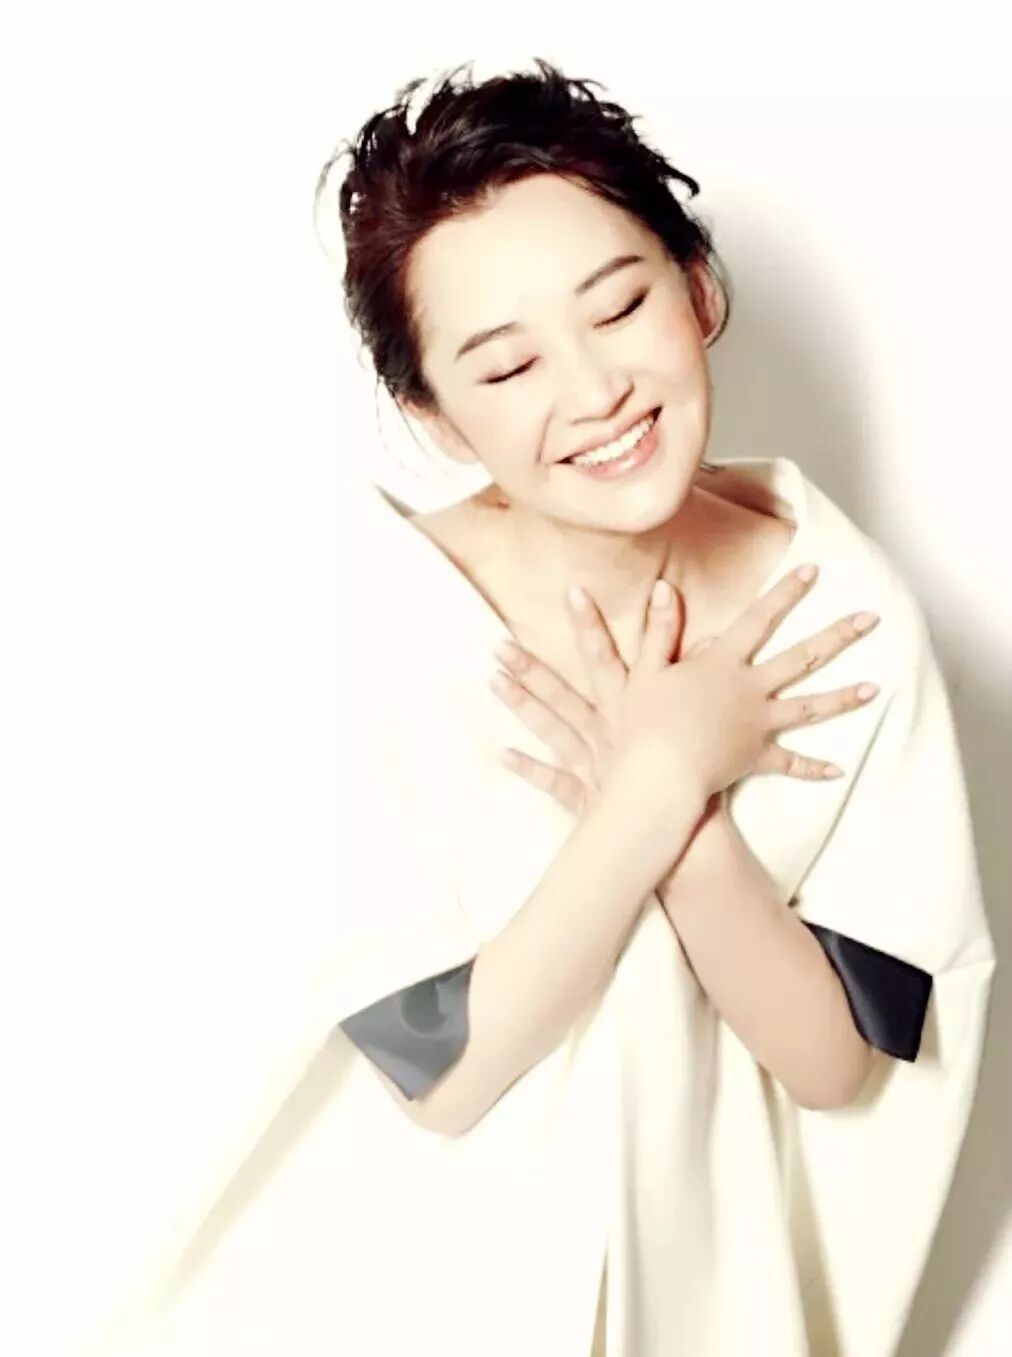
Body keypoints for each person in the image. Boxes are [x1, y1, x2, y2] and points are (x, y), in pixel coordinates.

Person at [97, 59, 995, 1357]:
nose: (593, 392)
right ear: (436, 416)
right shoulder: (383, 617)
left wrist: (692, 826)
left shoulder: (841, 604)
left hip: (683, 1295)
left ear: (698, 287)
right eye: (507, 365)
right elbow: (443, 1072)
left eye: (619, 305)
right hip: (389, 1290)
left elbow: (832, 1064)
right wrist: (658, 779)